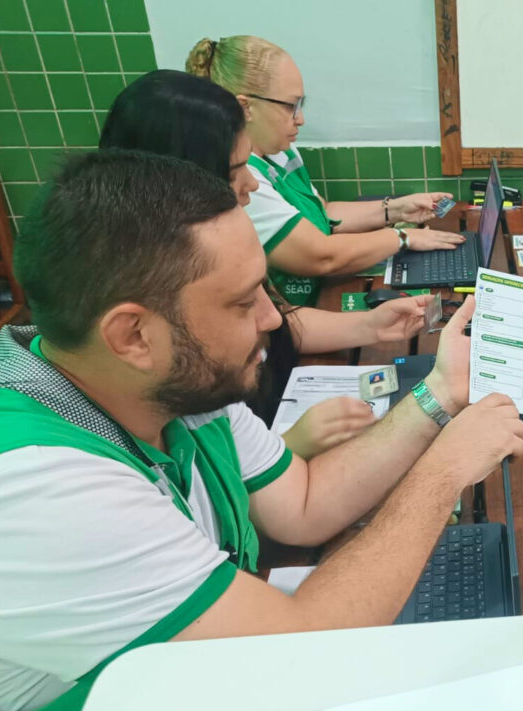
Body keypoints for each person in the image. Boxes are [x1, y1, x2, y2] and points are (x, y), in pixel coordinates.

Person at [0, 151, 523, 711]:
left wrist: (439, 395)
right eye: (243, 302)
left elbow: (305, 503)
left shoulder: (165, 382)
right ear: (132, 336)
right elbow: (292, 661)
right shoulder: (34, 485)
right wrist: (443, 473)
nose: (271, 318)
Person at [100, 69, 435, 458]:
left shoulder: (218, 245)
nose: (254, 185)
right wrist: (288, 447)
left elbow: (281, 321)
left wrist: (372, 326)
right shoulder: (162, 310)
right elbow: (211, 480)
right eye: (234, 172)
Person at [185, 35, 465, 307]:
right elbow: (320, 256)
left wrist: (396, 210)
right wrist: (403, 237)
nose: (301, 119)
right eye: (291, 106)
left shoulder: (279, 149)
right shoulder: (241, 181)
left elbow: (323, 213)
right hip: (294, 319)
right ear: (245, 107)